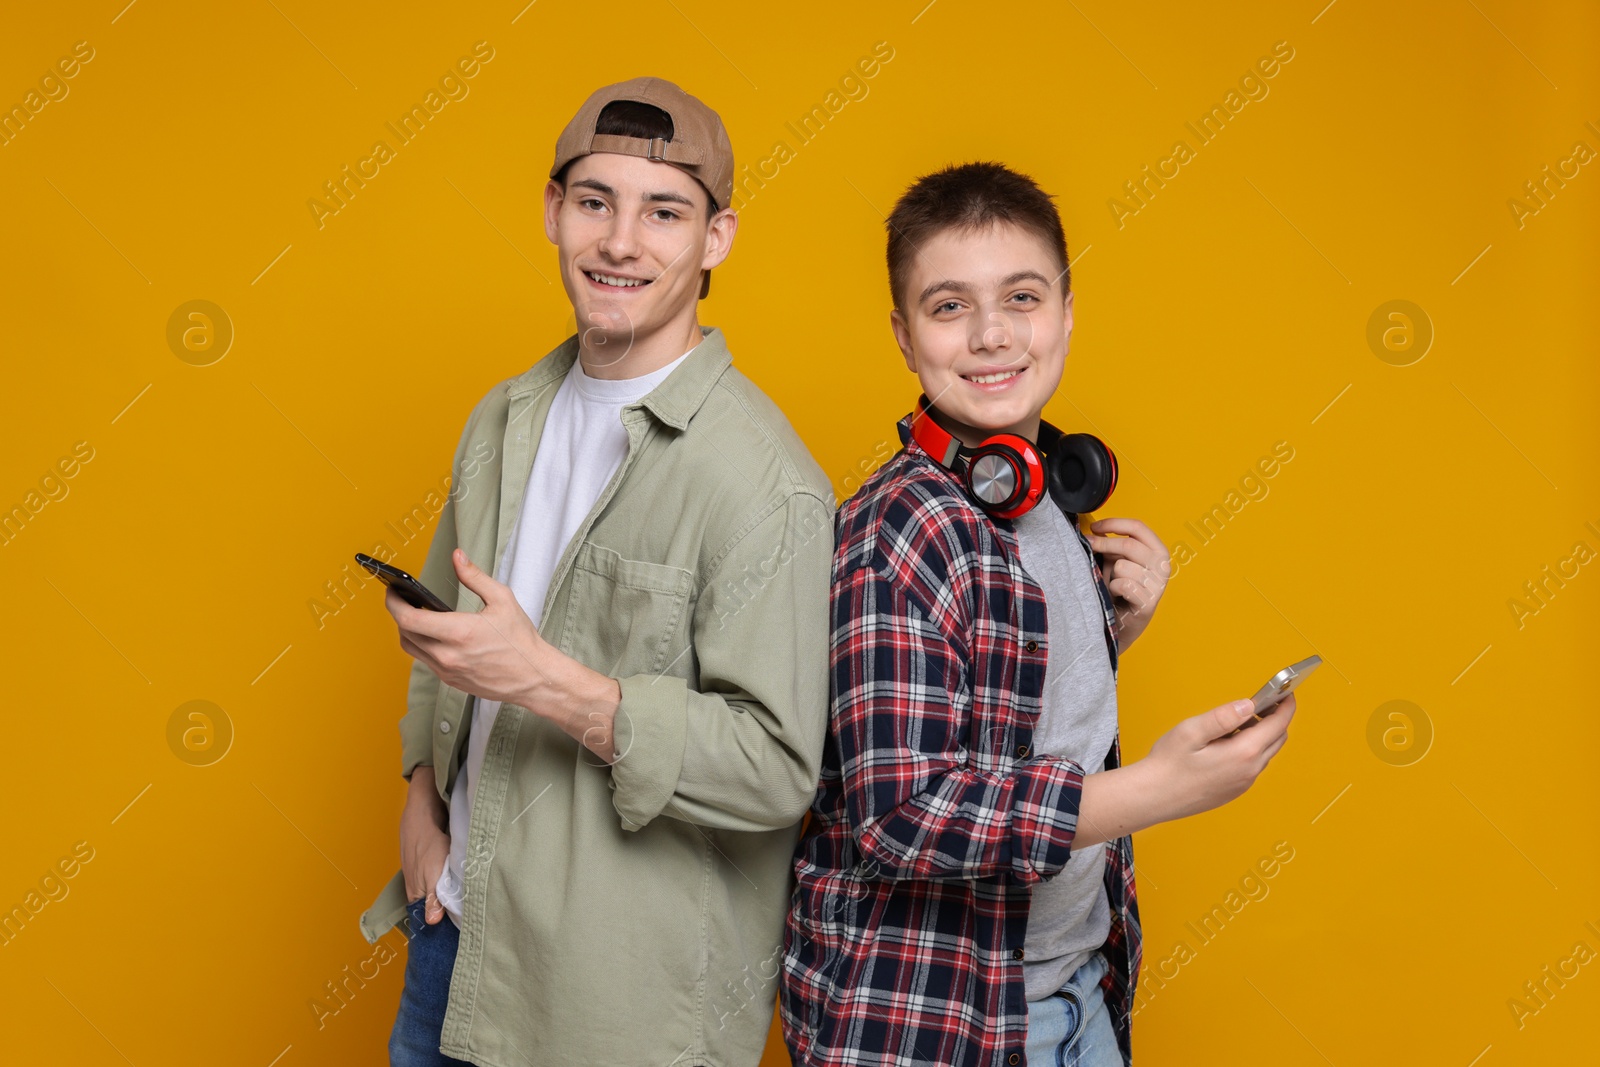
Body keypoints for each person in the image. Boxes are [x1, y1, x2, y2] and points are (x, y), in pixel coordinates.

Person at [355, 77, 835, 1067]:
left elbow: (776, 767)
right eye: (594, 201)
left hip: (615, 1009)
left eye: (664, 212)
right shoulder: (502, 416)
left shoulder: (765, 482)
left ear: (716, 239)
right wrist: (418, 804)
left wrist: (541, 677)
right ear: (551, 210)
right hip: (453, 934)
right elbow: (446, 632)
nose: (620, 242)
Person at [779, 161, 1297, 1067]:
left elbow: (1007, 714)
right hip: (938, 1022)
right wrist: (1157, 790)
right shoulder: (899, 528)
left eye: (1022, 297)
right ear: (904, 338)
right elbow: (900, 811)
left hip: (1069, 992)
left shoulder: (1044, 499)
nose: (991, 334)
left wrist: (1107, 636)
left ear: (1066, 311)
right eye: (949, 307)